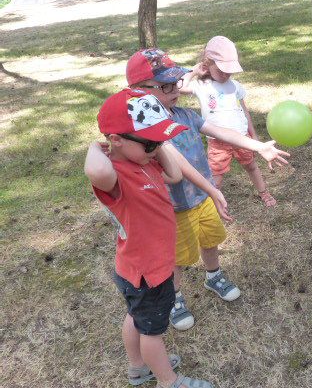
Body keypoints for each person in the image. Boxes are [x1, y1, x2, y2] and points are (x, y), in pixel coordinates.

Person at [126, 48, 289, 331]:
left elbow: (221, 132)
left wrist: (258, 145)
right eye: (164, 86)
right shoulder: (143, 133)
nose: (175, 90)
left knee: (210, 239)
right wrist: (212, 189)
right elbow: (173, 172)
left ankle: (213, 276)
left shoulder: (186, 116)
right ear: (139, 91)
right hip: (173, 208)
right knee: (178, 257)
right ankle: (175, 298)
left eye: (175, 83)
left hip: (201, 199)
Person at [84, 88, 214, 388]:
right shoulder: (115, 175)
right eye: (150, 142)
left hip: (136, 267)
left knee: (136, 317)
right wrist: (96, 146)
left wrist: (156, 143)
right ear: (115, 140)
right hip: (148, 273)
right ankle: (169, 380)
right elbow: (94, 168)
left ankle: (138, 368)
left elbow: (175, 175)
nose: (157, 147)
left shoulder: (146, 160)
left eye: (161, 140)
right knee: (152, 332)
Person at [181, 36, 276, 207]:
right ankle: (212, 203)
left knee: (251, 166)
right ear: (206, 66)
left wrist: (253, 136)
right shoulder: (202, 86)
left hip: (241, 137)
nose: (225, 75)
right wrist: (195, 71)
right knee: (215, 177)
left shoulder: (236, 86)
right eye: (220, 70)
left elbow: (244, 112)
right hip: (218, 143)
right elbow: (180, 87)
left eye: (229, 71)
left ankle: (264, 192)